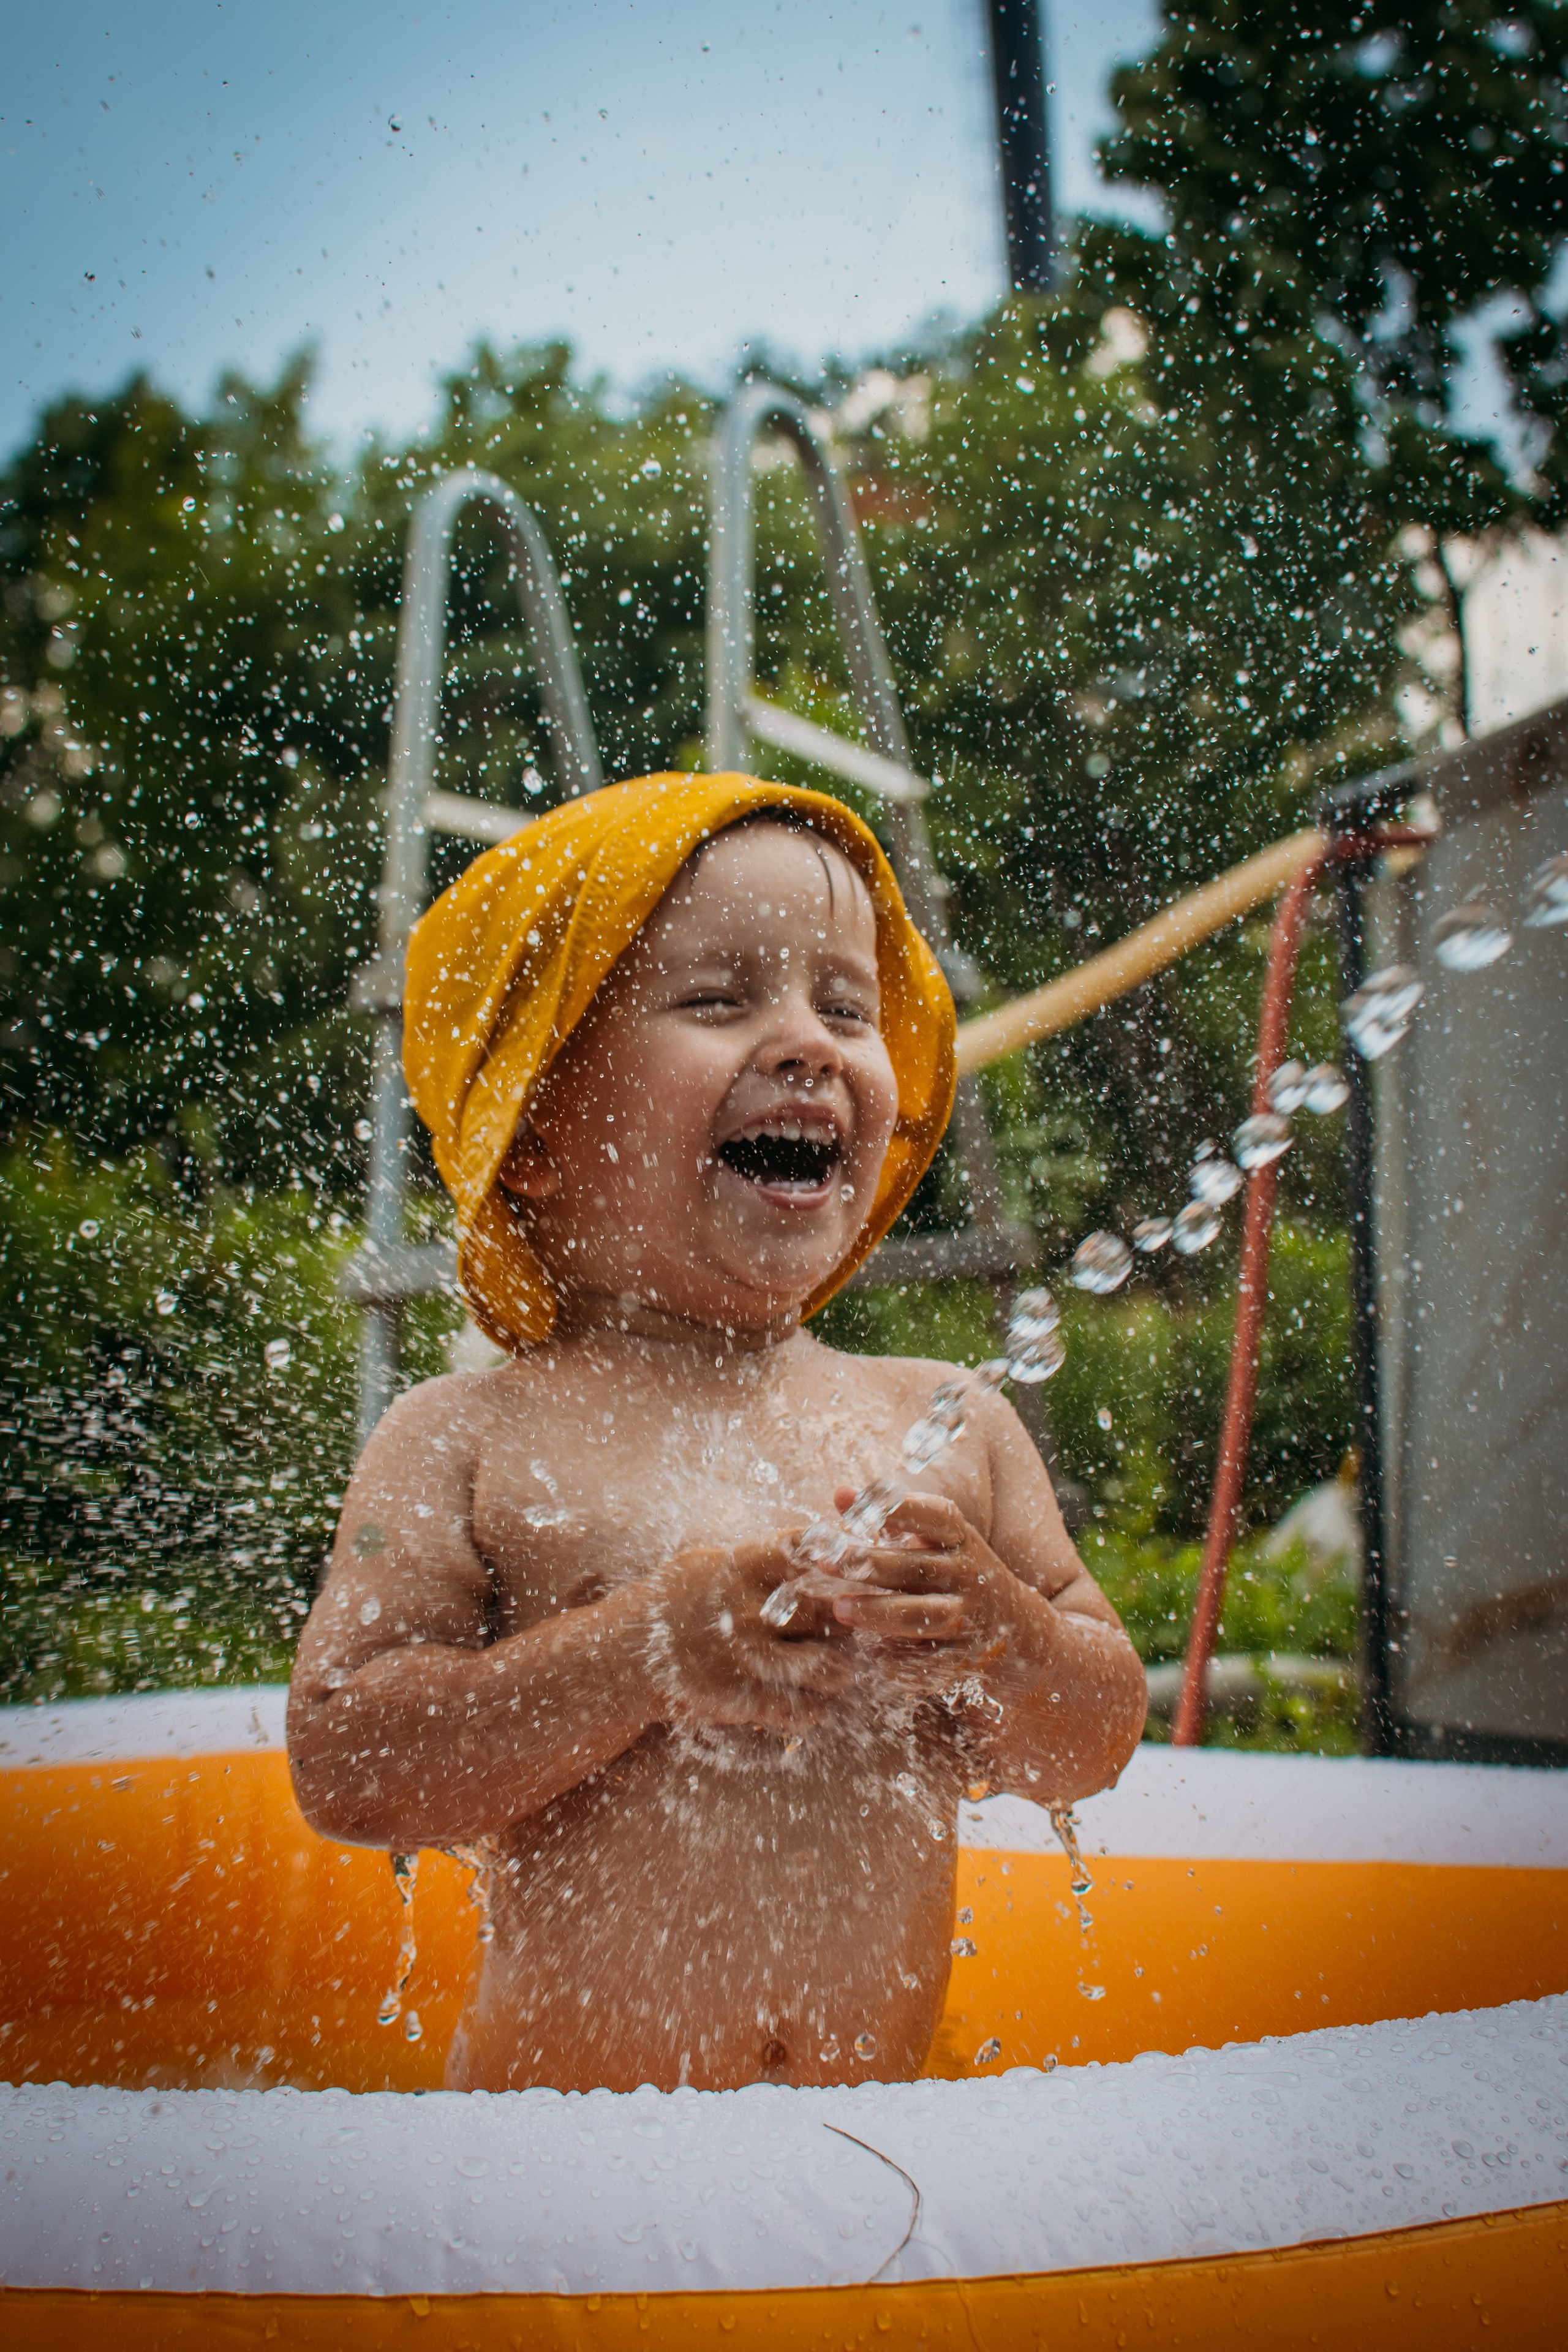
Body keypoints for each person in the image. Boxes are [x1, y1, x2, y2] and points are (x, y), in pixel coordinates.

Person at [287, 772, 1145, 2094]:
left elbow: (1087, 1741)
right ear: (535, 1130)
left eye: (845, 1006)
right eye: (718, 998)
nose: (806, 1042)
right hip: (546, 2187)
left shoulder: (944, 1423)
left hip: (869, 2177)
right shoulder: (468, 1434)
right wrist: (640, 1651)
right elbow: (350, 1765)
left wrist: (1006, 1638)